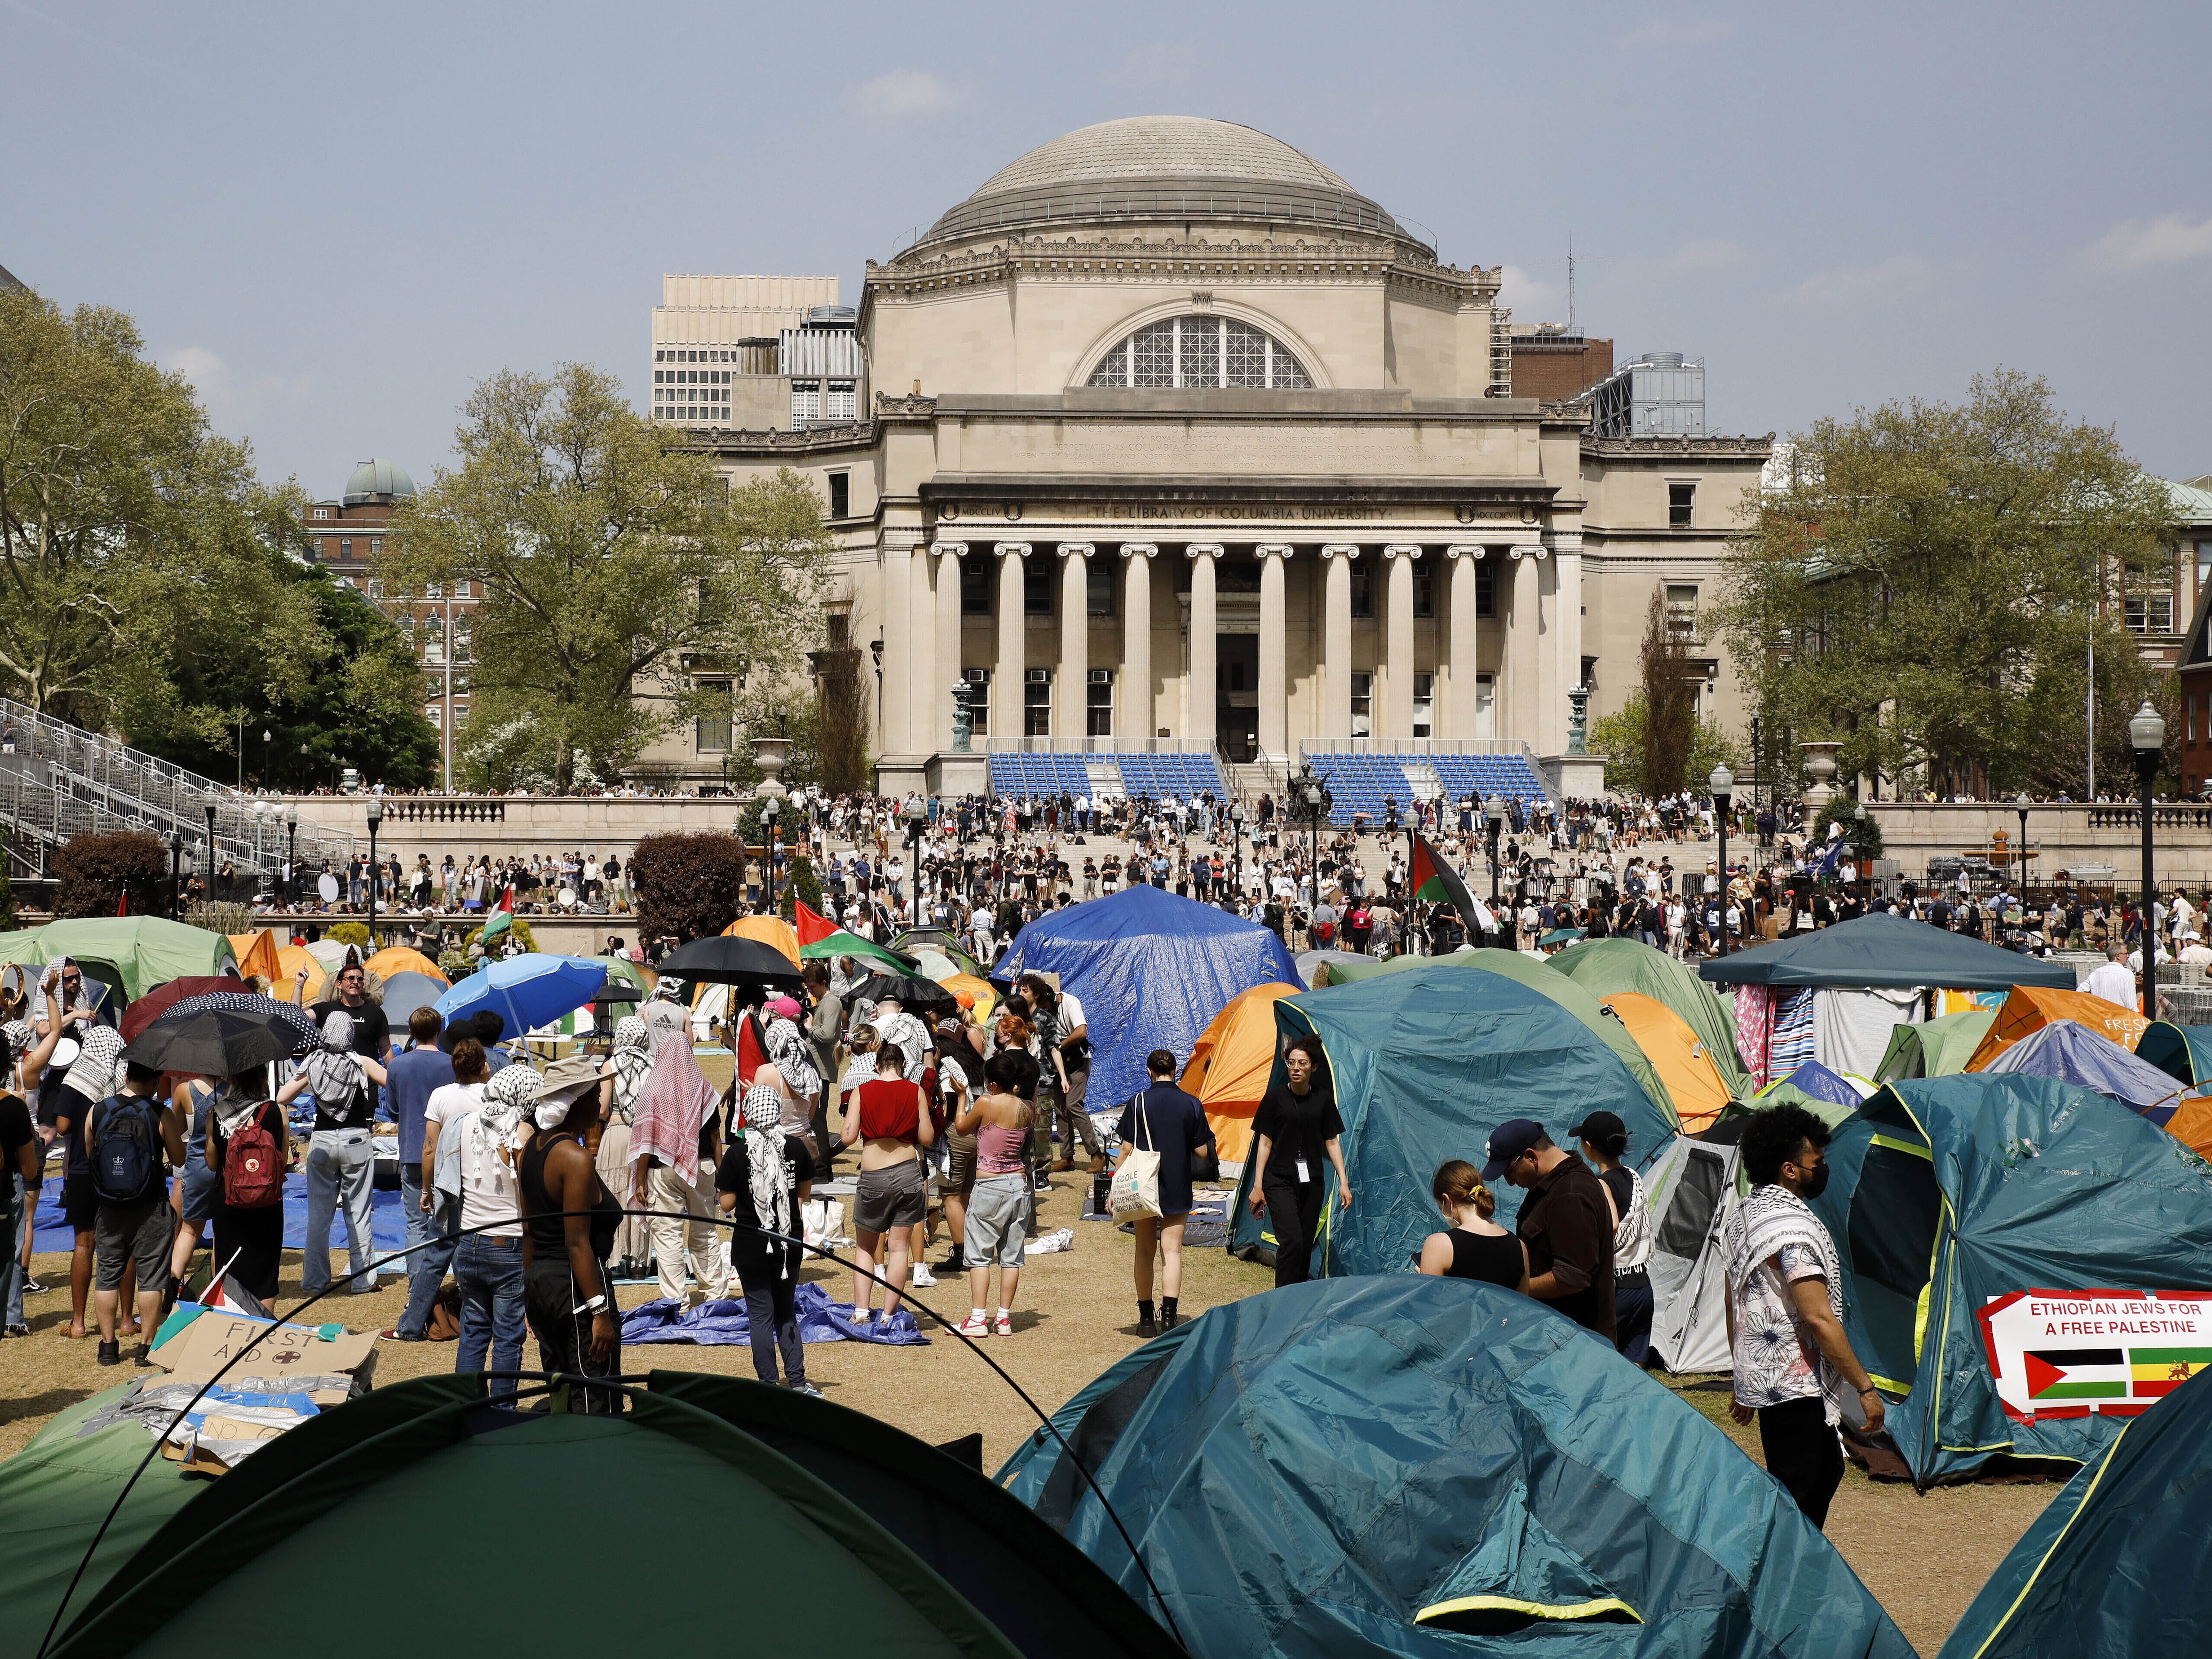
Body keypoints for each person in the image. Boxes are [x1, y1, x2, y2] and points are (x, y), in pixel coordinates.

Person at [1724, 1103, 1884, 1529]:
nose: (1823, 1169)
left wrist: (1743, 1374)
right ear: (1789, 1170)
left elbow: (1735, 1302)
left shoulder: (1746, 1214)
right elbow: (1818, 1318)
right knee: (1806, 1490)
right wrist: (1864, 1388)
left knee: (1808, 1479)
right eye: (1818, 1162)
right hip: (1795, 1385)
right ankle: (1784, 1582)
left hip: (1769, 1378)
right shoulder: (1789, 1230)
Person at [520, 1054, 624, 1413]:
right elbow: (577, 1242)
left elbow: (529, 1231)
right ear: (576, 1101)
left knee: (560, 1394)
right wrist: (600, 1313)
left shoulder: (531, 1151)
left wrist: (528, 1292)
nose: (599, 1102)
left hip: (541, 1286)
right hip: (577, 1289)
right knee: (594, 1398)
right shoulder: (575, 1159)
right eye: (594, 1095)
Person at [715, 1078, 819, 1393]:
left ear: (748, 1112)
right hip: (788, 1244)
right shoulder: (796, 1147)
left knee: (760, 1316)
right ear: (776, 1111)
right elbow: (804, 1194)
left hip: (750, 1245)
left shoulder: (737, 1153)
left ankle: (768, 1385)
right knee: (786, 1312)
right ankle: (798, 1383)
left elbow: (727, 1202)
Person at [447, 1061, 537, 1400]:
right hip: (509, 1243)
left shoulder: (467, 1122)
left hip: (469, 1239)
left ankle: (464, 1406)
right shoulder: (521, 1131)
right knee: (509, 1336)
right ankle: (502, 1411)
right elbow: (527, 1197)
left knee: (473, 1330)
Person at [87, 1059, 184, 1367]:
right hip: (151, 1207)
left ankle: (107, 1347)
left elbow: (91, 1153)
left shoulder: (98, 1110)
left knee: (106, 1276)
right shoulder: (160, 1113)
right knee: (152, 1278)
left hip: (109, 1207)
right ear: (157, 1080)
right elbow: (179, 1157)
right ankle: (145, 1349)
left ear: (127, 1076)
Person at [1484, 1117, 1616, 1342]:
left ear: (1531, 1157)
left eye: (1509, 1172)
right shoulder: (1551, 1185)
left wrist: (1517, 1288)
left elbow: (1572, 1277)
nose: (1510, 1183)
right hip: (1559, 1335)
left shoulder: (1571, 1194)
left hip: (1578, 1341)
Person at [1115, 1049, 1217, 1336]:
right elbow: (1200, 1151)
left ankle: (1146, 1319)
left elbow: (1125, 1149)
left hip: (1143, 1184)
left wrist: (1114, 1188)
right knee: (1172, 1251)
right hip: (1177, 1181)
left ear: (1150, 1071)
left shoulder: (1138, 1102)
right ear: (1177, 1071)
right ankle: (1170, 1318)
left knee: (1144, 1250)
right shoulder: (1191, 1103)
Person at [627, 1033, 728, 1306]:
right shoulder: (702, 1088)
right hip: (704, 1168)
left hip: (663, 1171)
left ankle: (676, 1302)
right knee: (706, 1231)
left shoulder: (653, 1090)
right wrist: (723, 1174)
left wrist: (639, 1179)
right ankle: (715, 1298)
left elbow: (646, 1141)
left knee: (668, 1235)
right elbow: (715, 1139)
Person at [1245, 1036, 1350, 1287]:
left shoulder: (1323, 1100)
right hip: (1279, 1180)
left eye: (1302, 1063)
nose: (1296, 1068)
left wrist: (1344, 1182)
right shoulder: (1275, 1098)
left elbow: (1332, 1142)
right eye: (1291, 1063)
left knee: (1304, 1243)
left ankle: (1299, 1296)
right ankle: (1281, 1298)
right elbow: (1265, 1143)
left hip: (1312, 1181)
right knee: (1291, 1240)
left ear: (1314, 1067)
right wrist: (1258, 1185)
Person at [843, 1040, 934, 1328]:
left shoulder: (862, 1091)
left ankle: (861, 1310)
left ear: (877, 1066)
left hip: (873, 1174)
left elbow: (847, 1137)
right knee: (899, 1248)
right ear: (903, 1065)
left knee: (866, 1247)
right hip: (908, 1172)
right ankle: (889, 1315)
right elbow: (928, 1137)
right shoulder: (915, 1091)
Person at [300, 1010, 389, 1296]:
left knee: (319, 1216)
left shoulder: (313, 1062)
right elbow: (392, 1082)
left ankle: (314, 1280)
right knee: (359, 1213)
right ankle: (363, 1280)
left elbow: (283, 1096)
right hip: (356, 1139)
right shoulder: (360, 1062)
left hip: (322, 1140)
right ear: (350, 1034)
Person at [381, 1008, 454, 1339]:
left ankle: (418, 1293)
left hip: (413, 1150)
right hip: (449, 1154)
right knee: (448, 1226)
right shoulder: (452, 1064)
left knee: (416, 1224)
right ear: (440, 1029)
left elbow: (393, 1109)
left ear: (411, 1030)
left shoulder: (397, 1065)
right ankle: (434, 1294)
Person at [953, 1048, 1036, 1338]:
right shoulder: (1028, 1107)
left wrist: (962, 1097)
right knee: (1012, 1257)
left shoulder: (986, 1103)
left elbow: (962, 1128)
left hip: (990, 1186)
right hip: (1019, 1186)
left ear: (991, 1084)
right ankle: (1004, 1319)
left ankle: (978, 1318)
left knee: (979, 1255)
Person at [1573, 1110, 1656, 1364]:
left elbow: (1612, 1224)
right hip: (1643, 1287)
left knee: (1598, 1363)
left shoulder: (1601, 1184)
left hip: (1617, 1291)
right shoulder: (1634, 1176)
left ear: (1588, 1147)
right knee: (1635, 1368)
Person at [205, 1069, 291, 1306]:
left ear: (234, 1078)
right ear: (263, 1079)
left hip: (229, 1201)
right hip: (268, 1202)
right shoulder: (277, 1111)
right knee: (265, 1276)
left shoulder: (217, 1113)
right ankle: (260, 1335)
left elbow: (212, 1163)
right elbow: (282, 1160)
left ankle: (230, 1330)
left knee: (229, 1271)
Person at [597, 1015, 653, 1281]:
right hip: (642, 1137)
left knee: (613, 1196)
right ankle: (639, 1264)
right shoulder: (653, 1066)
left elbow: (604, 1107)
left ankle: (612, 1258)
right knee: (640, 1194)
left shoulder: (610, 1064)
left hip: (617, 1132)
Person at [1417, 1160, 1528, 1288]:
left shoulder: (1439, 1245)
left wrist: (1427, 1274)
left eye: (1440, 1206)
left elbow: (1431, 1302)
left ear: (1447, 1200)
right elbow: (1523, 1305)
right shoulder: (1521, 1248)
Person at [0, 1034, 38, 1338]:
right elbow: (29, 1168)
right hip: (5, 1189)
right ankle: (12, 1317)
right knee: (11, 1251)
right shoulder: (13, 1107)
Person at [310, 958, 392, 1062]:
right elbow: (297, 1019)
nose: (356, 982)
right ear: (339, 984)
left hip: (366, 1075)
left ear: (363, 985)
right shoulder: (326, 1009)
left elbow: (386, 1048)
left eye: (360, 979)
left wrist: (393, 1076)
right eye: (351, 978)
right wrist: (299, 985)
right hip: (333, 1075)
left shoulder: (376, 1012)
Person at [2082, 942, 2139, 1012]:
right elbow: (2132, 1006)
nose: (2128, 956)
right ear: (2118, 956)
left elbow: (2080, 991)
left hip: (2099, 1017)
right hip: (2118, 1019)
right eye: (2126, 953)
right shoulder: (2127, 974)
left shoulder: (2096, 973)